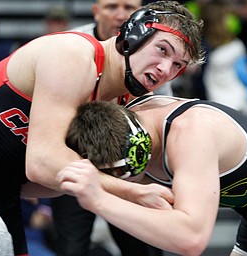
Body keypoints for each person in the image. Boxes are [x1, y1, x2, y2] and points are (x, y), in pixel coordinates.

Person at [0, 1, 204, 255]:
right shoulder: (73, 55)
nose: (165, 70)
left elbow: (41, 180)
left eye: (177, 65)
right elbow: (41, 164)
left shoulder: (129, 102)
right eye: (162, 50)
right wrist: (133, 193)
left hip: (1, 185)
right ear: (132, 36)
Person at [59, 95, 247, 256]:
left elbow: (191, 238)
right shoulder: (123, 123)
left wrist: (100, 200)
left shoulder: (192, 131)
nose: (134, 177)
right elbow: (43, 175)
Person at [52, 1, 172, 255]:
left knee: (142, 249)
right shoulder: (70, 45)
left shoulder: (153, 52)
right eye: (111, 7)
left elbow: (161, 113)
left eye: (128, 7)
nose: (120, 15)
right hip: (74, 159)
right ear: (96, 11)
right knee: (71, 248)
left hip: (128, 165)